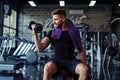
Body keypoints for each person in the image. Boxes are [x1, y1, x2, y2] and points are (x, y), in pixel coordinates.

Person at [32, 9, 89, 80]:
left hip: (71, 61)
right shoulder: (51, 33)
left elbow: (81, 51)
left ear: (63, 18)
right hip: (56, 60)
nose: (53, 22)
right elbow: (40, 48)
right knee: (47, 68)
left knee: (84, 70)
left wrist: (85, 67)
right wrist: (34, 34)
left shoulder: (74, 32)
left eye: (56, 19)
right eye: (53, 19)